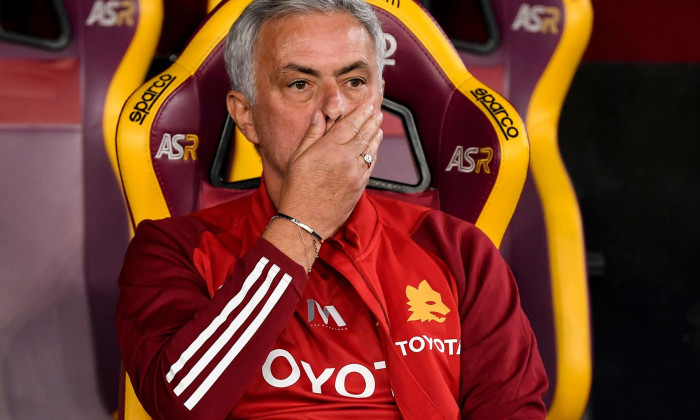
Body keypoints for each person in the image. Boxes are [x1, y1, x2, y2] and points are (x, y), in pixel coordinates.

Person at [116, 0, 548, 419]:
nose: (335, 107)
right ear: (246, 115)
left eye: (355, 82)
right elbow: (181, 402)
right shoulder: (172, 250)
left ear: (379, 100)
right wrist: (302, 222)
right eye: (300, 84)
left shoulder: (460, 254)